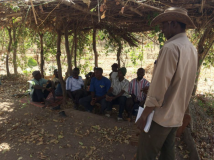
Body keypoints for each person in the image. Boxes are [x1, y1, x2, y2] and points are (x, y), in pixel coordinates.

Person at [136, 7, 197, 160]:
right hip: (176, 115)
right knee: (168, 153)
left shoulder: (170, 48)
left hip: (160, 117)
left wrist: (144, 115)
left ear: (174, 24)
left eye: (164, 25)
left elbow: (159, 89)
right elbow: (181, 82)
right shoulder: (191, 49)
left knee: (146, 154)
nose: (162, 29)